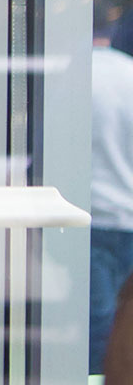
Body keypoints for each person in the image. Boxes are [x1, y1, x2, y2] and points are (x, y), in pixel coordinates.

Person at [90, 22, 133, 375]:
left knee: (98, 323)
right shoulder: (128, 74)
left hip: (94, 218)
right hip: (128, 218)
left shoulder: (75, 77)